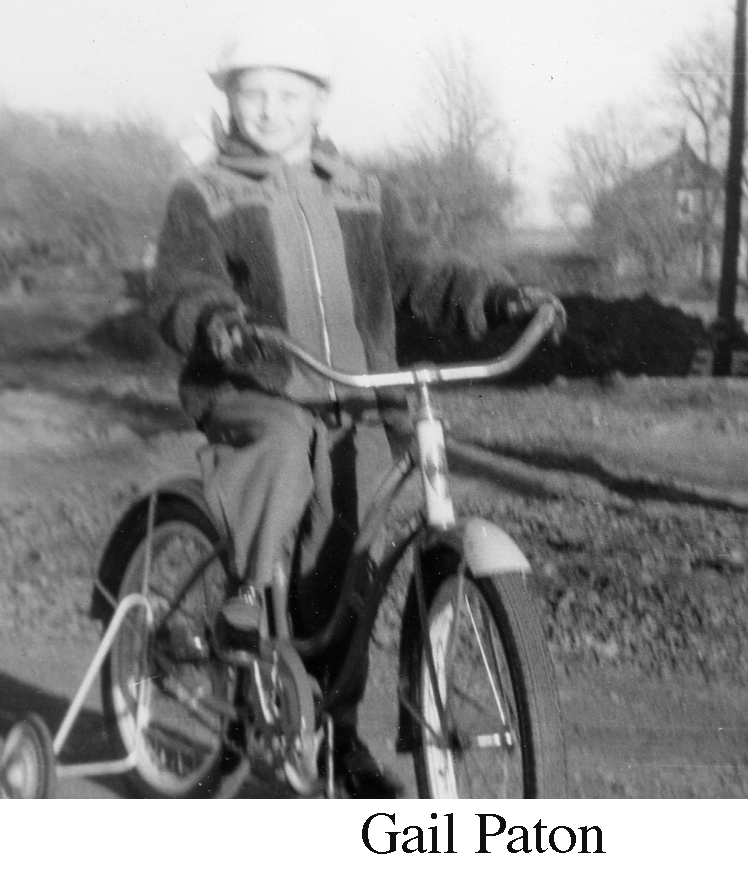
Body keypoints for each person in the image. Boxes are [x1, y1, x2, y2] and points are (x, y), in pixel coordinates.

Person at [149, 20, 563, 798]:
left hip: (358, 393)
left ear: (318, 104)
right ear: (230, 103)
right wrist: (217, 322)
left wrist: (502, 294)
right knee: (278, 450)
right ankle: (241, 600)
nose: (271, 110)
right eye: (254, 94)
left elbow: (422, 271)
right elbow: (180, 284)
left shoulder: (365, 191)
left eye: (290, 95)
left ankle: (333, 737)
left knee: (350, 564)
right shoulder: (203, 191)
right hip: (256, 388)